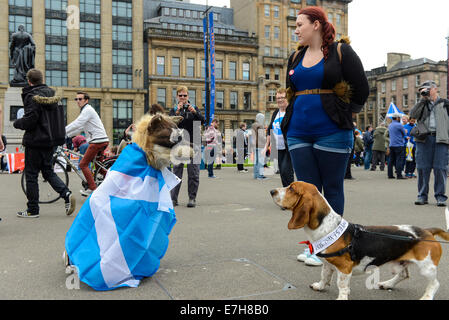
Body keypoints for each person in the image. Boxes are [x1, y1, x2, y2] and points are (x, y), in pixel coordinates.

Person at [283, 7, 369, 266]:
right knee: (307, 191)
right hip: (298, 131)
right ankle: (313, 247)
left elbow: (362, 89)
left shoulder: (342, 52)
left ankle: (331, 247)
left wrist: (344, 112)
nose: (296, 29)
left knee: (332, 188)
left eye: (300, 24)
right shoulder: (295, 56)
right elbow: (291, 90)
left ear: (317, 24)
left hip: (332, 131)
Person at [13, 69, 75, 218]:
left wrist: (17, 123)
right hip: (50, 141)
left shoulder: (31, 95)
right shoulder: (52, 93)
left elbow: (31, 119)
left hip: (35, 141)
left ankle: (32, 210)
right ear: (42, 79)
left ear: (29, 81)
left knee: (31, 175)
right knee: (48, 171)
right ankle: (66, 193)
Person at [410, 80, 449, 206]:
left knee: (440, 168)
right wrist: (423, 100)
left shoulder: (445, 103)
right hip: (424, 139)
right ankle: (422, 196)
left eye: (427, 89)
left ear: (435, 89)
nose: (425, 91)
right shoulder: (422, 104)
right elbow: (412, 115)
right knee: (422, 168)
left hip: (441, 139)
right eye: (423, 89)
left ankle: (440, 197)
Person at [66, 92, 109, 197]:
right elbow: (80, 128)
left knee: (83, 164)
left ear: (86, 100)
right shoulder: (85, 111)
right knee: (100, 167)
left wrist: (61, 131)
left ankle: (92, 189)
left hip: (97, 141)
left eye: (80, 99)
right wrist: (67, 135)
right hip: (100, 140)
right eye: (76, 99)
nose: (78, 101)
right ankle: (113, 180)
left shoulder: (88, 110)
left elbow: (78, 123)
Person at [169, 86, 205, 208]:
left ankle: (192, 198)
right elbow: (170, 125)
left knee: (193, 173)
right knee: (176, 173)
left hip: (193, 143)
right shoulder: (173, 110)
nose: (183, 98)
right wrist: (177, 113)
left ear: (188, 96)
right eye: (180, 95)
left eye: (185, 95)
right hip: (178, 145)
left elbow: (202, 121)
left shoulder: (194, 109)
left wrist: (194, 112)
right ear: (177, 96)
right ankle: (173, 199)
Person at [264, 88, 294, 187]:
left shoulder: (291, 111)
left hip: (288, 147)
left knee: (286, 170)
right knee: (282, 172)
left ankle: (292, 194)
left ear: (287, 98)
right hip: (278, 147)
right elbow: (270, 130)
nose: (279, 100)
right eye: (277, 98)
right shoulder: (276, 112)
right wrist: (266, 147)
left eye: (282, 97)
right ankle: (287, 193)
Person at [387, 115, 406, 180]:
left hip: (391, 144)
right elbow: (404, 134)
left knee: (391, 160)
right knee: (399, 160)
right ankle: (399, 175)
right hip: (399, 144)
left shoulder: (390, 125)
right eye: (399, 118)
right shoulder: (399, 125)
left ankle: (390, 175)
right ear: (397, 118)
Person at [251, 113, 268, 180]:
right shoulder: (260, 126)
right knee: (261, 161)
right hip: (260, 145)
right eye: (263, 118)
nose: (263, 120)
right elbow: (261, 136)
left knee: (256, 161)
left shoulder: (253, 125)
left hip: (254, 145)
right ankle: (260, 176)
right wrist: (266, 140)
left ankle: (256, 175)